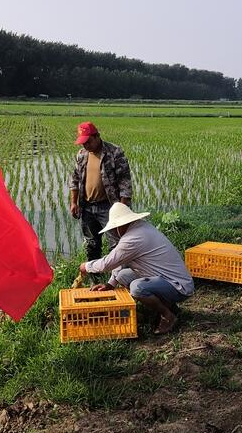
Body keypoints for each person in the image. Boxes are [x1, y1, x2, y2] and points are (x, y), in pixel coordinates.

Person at [79, 203, 194, 335]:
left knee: (137, 288)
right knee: (123, 275)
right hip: (164, 279)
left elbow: (107, 263)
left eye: (114, 228)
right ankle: (169, 307)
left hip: (178, 286)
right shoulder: (140, 228)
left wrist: (86, 266)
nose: (113, 232)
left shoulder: (133, 238)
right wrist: (110, 284)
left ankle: (167, 316)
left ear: (121, 225)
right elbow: (121, 260)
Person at [69, 122, 132, 261]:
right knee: (91, 244)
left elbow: (125, 182)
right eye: (83, 143)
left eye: (88, 142)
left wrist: (122, 209)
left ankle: (117, 273)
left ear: (97, 136)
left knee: (116, 244)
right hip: (87, 207)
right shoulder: (81, 154)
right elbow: (74, 179)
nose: (86, 145)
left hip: (109, 207)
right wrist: (73, 202)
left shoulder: (114, 152)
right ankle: (94, 272)